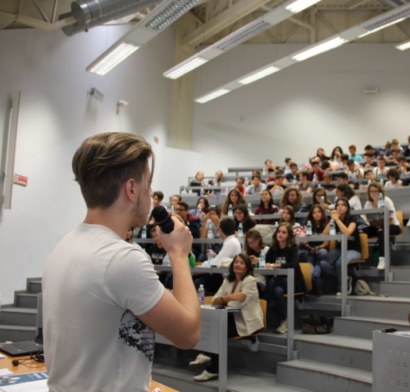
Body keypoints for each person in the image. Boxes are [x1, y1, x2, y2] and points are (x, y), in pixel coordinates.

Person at [42, 132, 200, 392]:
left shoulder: (64, 247)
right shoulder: (121, 258)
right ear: (131, 189)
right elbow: (188, 334)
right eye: (148, 185)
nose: (150, 195)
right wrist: (179, 254)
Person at [190, 254, 264, 382]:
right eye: (236, 262)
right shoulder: (227, 280)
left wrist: (225, 299)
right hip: (230, 317)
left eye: (242, 263)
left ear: (247, 267)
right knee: (210, 323)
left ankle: (213, 368)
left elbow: (236, 304)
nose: (238, 265)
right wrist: (229, 297)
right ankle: (207, 355)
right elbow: (214, 301)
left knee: (218, 329)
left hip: (244, 320)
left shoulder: (250, 281)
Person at [264, 223, 305, 334]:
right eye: (279, 231)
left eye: (284, 232)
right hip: (278, 284)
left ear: (289, 236)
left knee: (272, 283)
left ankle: (269, 308)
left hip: (293, 282)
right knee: (277, 291)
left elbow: (294, 264)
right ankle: (286, 318)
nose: (280, 234)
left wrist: (279, 265)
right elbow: (265, 262)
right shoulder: (273, 249)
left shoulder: (293, 248)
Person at [320, 198, 361, 294]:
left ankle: (342, 287)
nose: (340, 207)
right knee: (323, 263)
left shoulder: (352, 218)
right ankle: (346, 277)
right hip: (340, 249)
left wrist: (337, 219)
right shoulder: (334, 219)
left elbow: (347, 233)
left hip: (353, 249)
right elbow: (324, 234)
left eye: (343, 205)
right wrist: (331, 220)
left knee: (340, 263)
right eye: (338, 205)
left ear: (347, 207)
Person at [363, 182, 401, 270]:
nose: (373, 193)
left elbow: (391, 220)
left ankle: (382, 259)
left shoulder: (386, 200)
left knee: (381, 231)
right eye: (371, 191)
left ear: (380, 192)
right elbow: (368, 220)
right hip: (377, 226)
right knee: (361, 231)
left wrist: (379, 224)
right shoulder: (368, 204)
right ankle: (361, 257)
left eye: (376, 191)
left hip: (393, 226)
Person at [299, 204, 331, 293]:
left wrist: (318, 247)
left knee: (322, 253)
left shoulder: (327, 223)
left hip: (321, 248)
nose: (317, 214)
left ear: (322, 213)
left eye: (319, 212)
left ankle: (314, 277)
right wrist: (310, 248)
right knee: (307, 256)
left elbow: (326, 242)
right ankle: (313, 278)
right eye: (314, 212)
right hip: (308, 248)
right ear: (311, 214)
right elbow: (302, 240)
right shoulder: (305, 223)